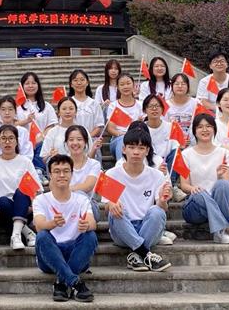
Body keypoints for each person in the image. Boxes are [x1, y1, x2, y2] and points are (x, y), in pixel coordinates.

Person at [105, 128, 172, 272]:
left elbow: (162, 208)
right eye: (131, 147)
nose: (136, 152)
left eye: (141, 148)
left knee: (157, 211)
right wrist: (112, 203)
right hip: (123, 230)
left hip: (147, 228)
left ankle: (136, 256)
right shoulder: (111, 174)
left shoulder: (157, 175)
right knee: (115, 210)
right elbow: (106, 207)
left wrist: (162, 200)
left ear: (147, 151)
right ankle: (145, 253)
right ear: (123, 149)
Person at [34, 154, 97, 302]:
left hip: (75, 253)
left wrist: (86, 225)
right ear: (50, 175)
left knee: (90, 235)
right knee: (42, 236)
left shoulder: (81, 199)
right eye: (57, 171)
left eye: (66, 171)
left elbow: (92, 223)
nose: (62, 175)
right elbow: (39, 226)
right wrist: (53, 223)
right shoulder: (41, 200)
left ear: (71, 173)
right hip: (50, 255)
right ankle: (76, 283)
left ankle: (61, 283)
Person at [180, 113, 229, 244]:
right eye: (200, 127)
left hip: (216, 201)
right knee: (199, 192)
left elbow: (225, 186)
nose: (205, 130)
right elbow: (184, 186)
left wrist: (219, 175)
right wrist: (193, 189)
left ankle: (219, 232)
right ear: (194, 131)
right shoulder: (185, 154)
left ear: (214, 129)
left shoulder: (224, 153)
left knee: (223, 184)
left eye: (208, 126)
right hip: (195, 208)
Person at [0, 124, 41, 250]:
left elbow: (36, 189)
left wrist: (32, 208)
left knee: (21, 191)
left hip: (25, 208)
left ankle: (16, 236)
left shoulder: (25, 161)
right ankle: (27, 233)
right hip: (1, 210)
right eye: (3, 139)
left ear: (16, 141)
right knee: (3, 201)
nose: (7, 142)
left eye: (11, 138)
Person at [142, 94, 187, 203]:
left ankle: (170, 185)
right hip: (149, 160)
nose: (154, 109)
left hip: (167, 161)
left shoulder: (171, 126)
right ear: (145, 110)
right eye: (150, 106)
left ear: (162, 109)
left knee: (176, 153)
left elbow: (176, 146)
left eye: (157, 106)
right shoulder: (141, 128)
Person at [16, 72, 58, 181]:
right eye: (27, 83)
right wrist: (26, 121)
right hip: (22, 142)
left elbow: (52, 125)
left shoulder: (46, 106)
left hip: (41, 141)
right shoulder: (16, 107)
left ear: (38, 85)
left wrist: (42, 135)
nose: (30, 86)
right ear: (22, 86)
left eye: (33, 83)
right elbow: (11, 124)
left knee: (42, 145)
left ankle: (39, 172)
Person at [40, 97, 98, 162]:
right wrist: (50, 155)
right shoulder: (52, 132)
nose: (67, 112)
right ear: (58, 112)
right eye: (64, 109)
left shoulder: (83, 130)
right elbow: (44, 159)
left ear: (76, 111)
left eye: (71, 109)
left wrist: (94, 149)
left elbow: (90, 157)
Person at [64, 125, 101, 221]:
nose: (75, 143)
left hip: (90, 207)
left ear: (85, 142)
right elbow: (54, 187)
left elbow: (87, 187)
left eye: (79, 139)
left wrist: (65, 189)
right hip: (65, 205)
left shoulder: (94, 164)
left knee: (79, 194)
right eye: (71, 140)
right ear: (66, 143)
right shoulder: (61, 163)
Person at [68, 69, 105, 160]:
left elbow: (99, 127)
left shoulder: (94, 103)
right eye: (75, 80)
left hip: (91, 139)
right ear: (71, 84)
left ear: (87, 82)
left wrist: (86, 137)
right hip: (72, 141)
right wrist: (77, 139)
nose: (79, 83)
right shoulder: (68, 103)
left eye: (82, 80)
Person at [0, 96, 33, 161]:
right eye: (3, 109)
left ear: (15, 111)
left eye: (10, 109)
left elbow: (27, 155)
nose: (7, 113)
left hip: (19, 165)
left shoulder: (23, 131)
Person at [107, 73, 143, 161]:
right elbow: (110, 129)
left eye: (128, 83)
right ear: (117, 87)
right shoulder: (113, 106)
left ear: (134, 85)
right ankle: (122, 165)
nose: (125, 86)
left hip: (138, 140)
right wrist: (125, 135)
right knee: (123, 140)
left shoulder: (141, 105)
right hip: (118, 139)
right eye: (122, 84)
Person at [164, 73, 198, 140]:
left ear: (188, 87)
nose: (180, 86)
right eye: (176, 84)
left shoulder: (196, 103)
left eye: (183, 84)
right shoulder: (166, 105)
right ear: (172, 86)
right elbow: (164, 128)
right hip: (172, 142)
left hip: (193, 142)